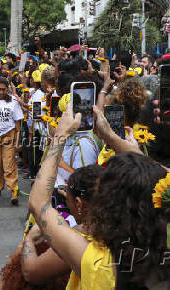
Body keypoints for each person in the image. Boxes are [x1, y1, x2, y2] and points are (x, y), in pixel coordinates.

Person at [29, 104, 170, 289]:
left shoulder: (100, 263)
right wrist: (109, 136)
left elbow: (38, 203)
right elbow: (159, 176)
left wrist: (59, 136)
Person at [0, 165, 103, 290]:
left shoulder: (80, 242)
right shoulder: (125, 229)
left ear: (78, 204)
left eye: (68, 202)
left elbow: (31, 272)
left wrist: (28, 240)